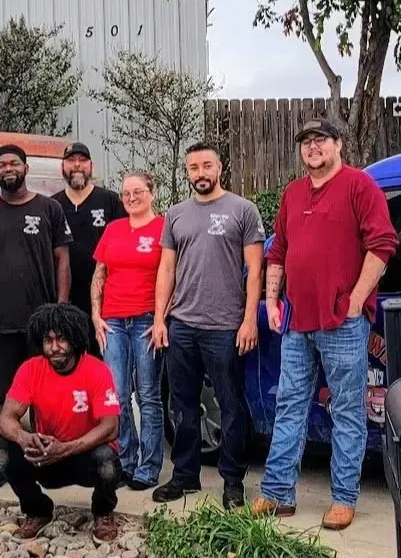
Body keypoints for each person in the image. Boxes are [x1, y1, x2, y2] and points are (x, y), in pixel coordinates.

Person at [253, 119, 398, 531]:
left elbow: (382, 244)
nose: (312, 147)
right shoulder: (294, 192)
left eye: (320, 140)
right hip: (298, 322)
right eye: (306, 142)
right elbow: (278, 249)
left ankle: (343, 498)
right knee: (289, 405)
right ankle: (279, 493)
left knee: (347, 410)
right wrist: (272, 300)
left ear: (338, 144)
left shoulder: (359, 186)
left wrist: (355, 300)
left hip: (342, 323)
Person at [150, 142, 264, 509]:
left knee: (231, 407)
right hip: (181, 324)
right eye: (193, 167)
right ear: (187, 172)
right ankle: (184, 476)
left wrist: (249, 320)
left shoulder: (242, 210)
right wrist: (159, 319)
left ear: (220, 168)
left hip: (225, 327)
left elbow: (255, 271)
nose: (200, 173)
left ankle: (233, 481)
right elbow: (166, 269)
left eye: (207, 166)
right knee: (182, 406)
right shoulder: (176, 214)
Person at [0, 144, 73, 491]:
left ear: (26, 168)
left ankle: (50, 460)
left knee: (48, 395)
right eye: (1, 164)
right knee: (1, 395)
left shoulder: (49, 209)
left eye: (14, 162)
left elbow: (63, 261)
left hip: (43, 324)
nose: (8, 168)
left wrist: (59, 311)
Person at [0, 304, 122, 545]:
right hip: (46, 455)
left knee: (108, 461)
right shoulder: (31, 369)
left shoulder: (97, 370)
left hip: (84, 455)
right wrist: (24, 438)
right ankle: (37, 510)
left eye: (62, 339)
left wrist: (66, 448)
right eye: (48, 340)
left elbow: (111, 427)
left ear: (74, 340)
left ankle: (103, 512)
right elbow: (5, 420)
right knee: (3, 451)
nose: (54, 347)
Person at [91, 170, 165, 491]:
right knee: (118, 396)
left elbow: (170, 276)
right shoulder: (114, 229)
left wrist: (162, 318)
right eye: (126, 193)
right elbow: (100, 273)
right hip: (114, 322)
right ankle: (126, 461)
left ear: (152, 192)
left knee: (148, 395)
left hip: (147, 320)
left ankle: (148, 467)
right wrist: (96, 315)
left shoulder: (164, 228)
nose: (131, 198)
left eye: (138, 192)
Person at [52, 142, 125, 318]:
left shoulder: (110, 201)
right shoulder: (52, 206)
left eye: (83, 160)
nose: (77, 164)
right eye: (71, 160)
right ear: (62, 166)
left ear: (91, 166)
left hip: (105, 297)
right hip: (64, 298)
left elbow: (124, 245)